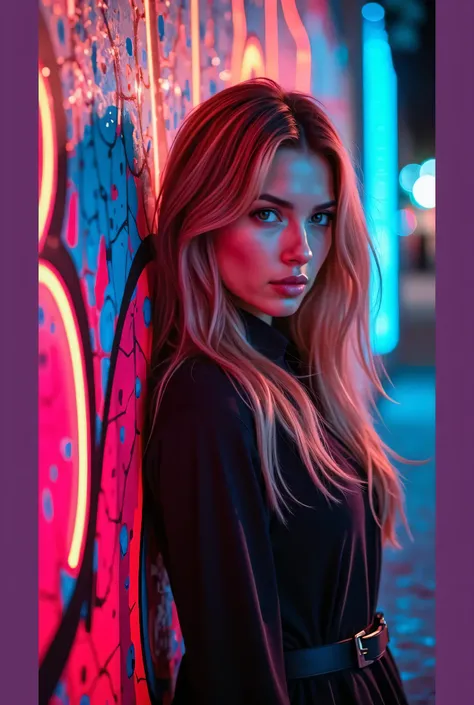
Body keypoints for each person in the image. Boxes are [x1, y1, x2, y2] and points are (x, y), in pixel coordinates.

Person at [142, 78, 409, 705]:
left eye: (319, 218)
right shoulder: (210, 399)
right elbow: (235, 659)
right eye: (267, 214)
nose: (303, 251)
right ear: (203, 216)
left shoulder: (299, 374)